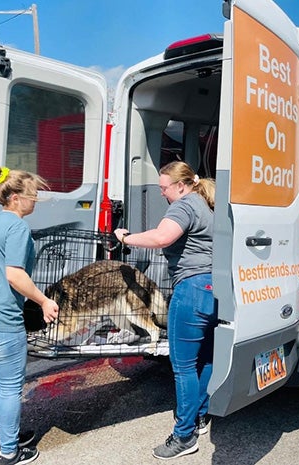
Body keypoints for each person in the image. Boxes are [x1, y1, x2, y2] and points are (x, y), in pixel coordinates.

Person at [114, 161, 216, 460]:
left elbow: (162, 238)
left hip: (192, 290)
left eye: (164, 188)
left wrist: (126, 237)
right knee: (206, 359)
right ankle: (199, 417)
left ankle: (184, 436)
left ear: (181, 186)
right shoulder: (208, 203)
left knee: (183, 366)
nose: (162, 194)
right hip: (214, 289)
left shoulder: (184, 205)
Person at [0, 166, 59, 465]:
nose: (36, 200)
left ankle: (6, 436)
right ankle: (9, 453)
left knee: (0, 380)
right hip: (0, 323)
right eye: (32, 195)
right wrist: (44, 301)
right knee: (11, 385)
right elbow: (14, 275)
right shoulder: (17, 227)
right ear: (16, 198)